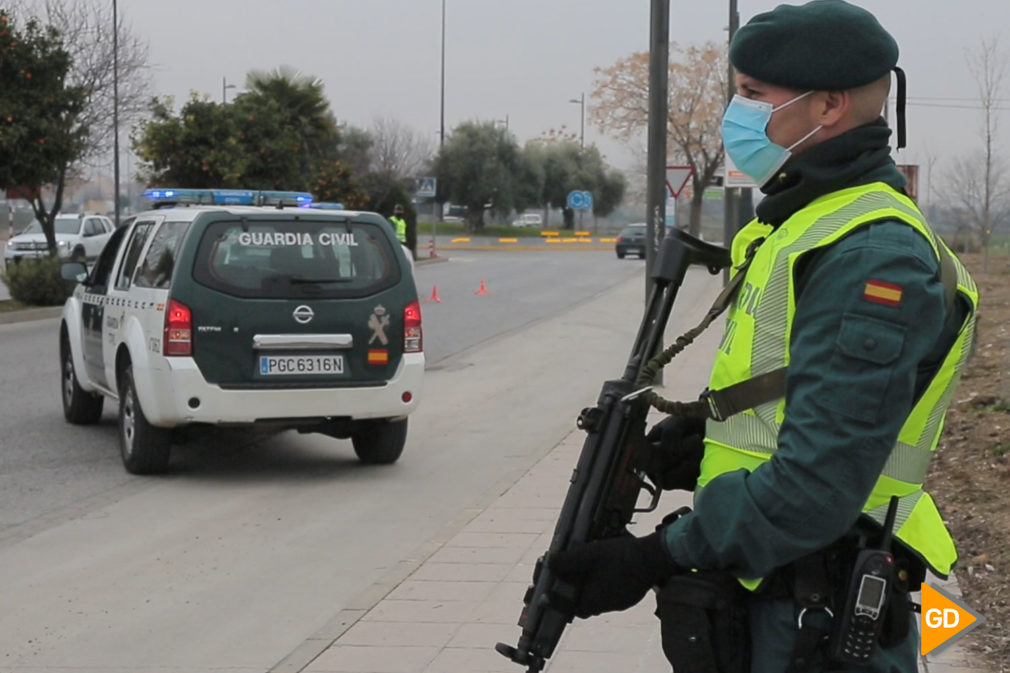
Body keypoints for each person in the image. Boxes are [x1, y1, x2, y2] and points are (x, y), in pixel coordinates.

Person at [548, 2, 979, 672]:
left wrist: (653, 555)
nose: (735, 113)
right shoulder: (807, 223)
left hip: (815, 613)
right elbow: (798, 406)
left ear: (829, 106)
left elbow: (814, 487)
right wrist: (700, 445)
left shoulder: (872, 256)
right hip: (774, 601)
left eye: (753, 95)